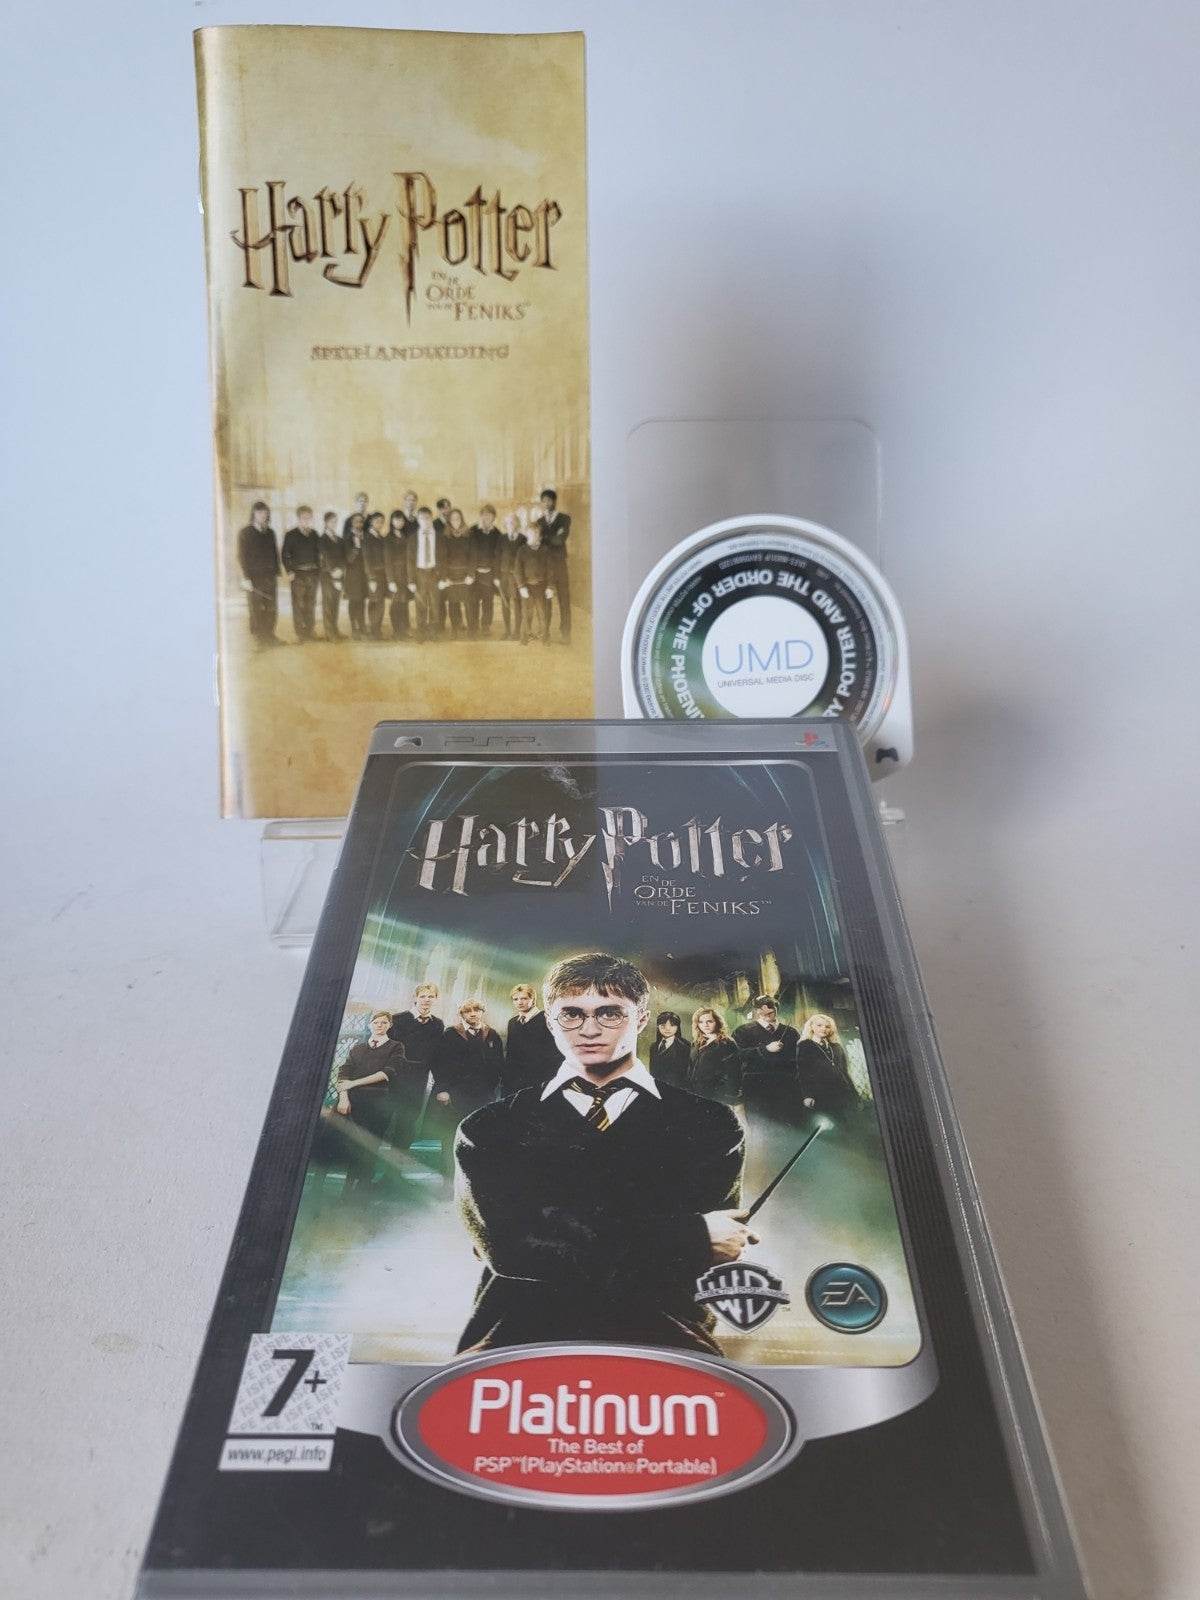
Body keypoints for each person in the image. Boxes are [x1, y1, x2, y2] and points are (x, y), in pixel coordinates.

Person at [454, 952, 752, 1355]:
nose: (589, 1029)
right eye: (571, 1014)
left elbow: (698, 1263)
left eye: (610, 1013)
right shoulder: (489, 1128)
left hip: (667, 1341)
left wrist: (558, 1226)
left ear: (641, 1018)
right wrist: (691, 1237)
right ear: (550, 1022)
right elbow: (511, 1247)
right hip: (516, 1342)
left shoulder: (710, 1124)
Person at [329, 1011, 406, 1193]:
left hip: (376, 1104)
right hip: (351, 1102)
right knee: (344, 1143)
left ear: (389, 1026)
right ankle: (343, 1189)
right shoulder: (358, 1048)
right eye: (376, 1022)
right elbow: (343, 1074)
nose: (379, 1025)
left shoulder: (396, 1047)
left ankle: (360, 1192)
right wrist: (343, 1098)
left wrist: (354, 1083)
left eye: (384, 1023)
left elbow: (387, 1073)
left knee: (369, 1148)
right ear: (370, 1025)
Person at [433, 1001, 505, 1121]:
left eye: (476, 1010)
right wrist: (443, 1089)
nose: (473, 1014)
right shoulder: (450, 1034)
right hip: (456, 1093)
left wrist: (490, 1087)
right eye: (467, 1011)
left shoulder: (492, 1034)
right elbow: (440, 1064)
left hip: (484, 1093)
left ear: (482, 1012)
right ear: (461, 1014)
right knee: (453, 1125)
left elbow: (498, 1064)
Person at [796, 1013, 861, 1121]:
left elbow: (844, 1072)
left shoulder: (836, 1047)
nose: (824, 1029)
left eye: (827, 1026)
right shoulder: (804, 1046)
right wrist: (807, 1095)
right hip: (821, 1094)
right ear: (811, 1026)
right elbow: (803, 1072)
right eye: (819, 1025)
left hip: (843, 1093)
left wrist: (855, 1095)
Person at [502, 982, 560, 1094]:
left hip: (540, 1079)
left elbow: (555, 1053)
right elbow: (511, 1053)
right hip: (516, 1081)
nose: (519, 1002)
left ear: (533, 999)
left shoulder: (547, 1019)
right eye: (515, 999)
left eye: (524, 998)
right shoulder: (512, 1023)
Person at [237, 500, 281, 645]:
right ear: (253, 514)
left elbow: (275, 553)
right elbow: (242, 556)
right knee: (256, 608)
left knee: (271, 608)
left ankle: (270, 635)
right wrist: (246, 578)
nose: (263, 515)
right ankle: (260, 639)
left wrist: (276, 572)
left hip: (270, 577)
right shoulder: (245, 533)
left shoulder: (270, 532)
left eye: (265, 513)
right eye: (259, 512)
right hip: (254, 578)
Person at [689, 1007, 743, 1110]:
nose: (705, 1025)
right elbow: (691, 1068)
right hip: (697, 1093)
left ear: (717, 1022)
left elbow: (734, 1073)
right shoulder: (696, 1043)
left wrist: (730, 1097)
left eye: (709, 1021)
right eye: (701, 1022)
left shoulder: (727, 1043)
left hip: (719, 1095)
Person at [280, 505, 321, 642]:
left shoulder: (315, 534)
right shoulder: (290, 535)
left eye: (309, 518)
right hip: (298, 576)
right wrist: (289, 571)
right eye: (304, 518)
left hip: (313, 575)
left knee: (311, 603)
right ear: (298, 519)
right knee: (298, 604)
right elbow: (285, 555)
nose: (307, 520)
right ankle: (300, 633)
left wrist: (318, 572)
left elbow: (319, 554)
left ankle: (310, 630)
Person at [538, 487, 572, 643]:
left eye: (549, 500)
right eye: (543, 501)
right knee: (547, 598)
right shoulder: (539, 522)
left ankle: (566, 633)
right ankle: (546, 632)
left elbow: (560, 540)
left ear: (554, 501)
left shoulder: (564, 519)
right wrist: (553, 536)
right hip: (545, 565)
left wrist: (545, 538)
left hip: (560, 564)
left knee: (564, 599)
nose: (546, 504)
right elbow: (544, 541)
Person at [515, 519, 554, 644]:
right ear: (527, 534)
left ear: (540, 535)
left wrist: (550, 587)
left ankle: (545, 638)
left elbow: (550, 570)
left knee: (543, 613)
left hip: (542, 587)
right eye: (531, 533)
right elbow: (518, 570)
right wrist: (521, 586)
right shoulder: (522, 550)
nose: (534, 535)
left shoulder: (545, 550)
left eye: (536, 533)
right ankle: (525, 638)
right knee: (527, 613)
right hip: (527, 587)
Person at [439, 509, 474, 634]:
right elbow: (442, 559)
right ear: (449, 521)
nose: (456, 521)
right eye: (453, 519)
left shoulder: (469, 536)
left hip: (466, 575)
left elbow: (473, 557)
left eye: (458, 518)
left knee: (469, 604)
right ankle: (455, 629)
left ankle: (471, 630)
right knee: (453, 603)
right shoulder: (445, 537)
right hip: (451, 575)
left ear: (462, 519)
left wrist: (471, 575)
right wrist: (445, 577)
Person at [468, 504, 500, 635]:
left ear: (494, 517)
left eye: (489, 515)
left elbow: (498, 555)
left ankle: (486, 626)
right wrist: (470, 573)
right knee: (473, 601)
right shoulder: (472, 531)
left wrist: (495, 574)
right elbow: (468, 553)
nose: (486, 517)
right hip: (474, 573)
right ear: (480, 516)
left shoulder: (497, 533)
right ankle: (473, 627)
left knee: (488, 601)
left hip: (489, 574)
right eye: (484, 515)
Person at [409, 506, 441, 638]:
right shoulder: (413, 538)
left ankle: (433, 632)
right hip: (419, 573)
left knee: (434, 603)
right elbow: (410, 561)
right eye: (422, 518)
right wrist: (411, 580)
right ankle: (421, 631)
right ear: (418, 520)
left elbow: (443, 558)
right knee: (420, 603)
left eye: (427, 518)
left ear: (431, 519)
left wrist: (442, 576)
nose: (425, 521)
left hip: (434, 573)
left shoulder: (439, 537)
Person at [495, 512, 525, 640]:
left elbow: (525, 559)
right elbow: (497, 558)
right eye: (508, 523)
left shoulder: (523, 539)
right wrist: (496, 577)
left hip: (516, 577)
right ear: (505, 525)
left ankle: (517, 631)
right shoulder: (501, 538)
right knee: (505, 602)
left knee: (517, 603)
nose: (511, 524)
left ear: (517, 524)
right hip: (504, 575)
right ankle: (507, 631)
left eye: (513, 522)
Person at [317, 511, 346, 640]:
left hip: (339, 575)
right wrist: (333, 571)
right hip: (327, 575)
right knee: (328, 604)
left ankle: (335, 630)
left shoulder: (339, 540)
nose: (334, 524)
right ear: (326, 523)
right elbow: (324, 558)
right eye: (331, 522)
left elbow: (343, 557)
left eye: (335, 521)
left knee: (335, 603)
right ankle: (329, 633)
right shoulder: (321, 540)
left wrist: (341, 570)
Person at [341, 512, 369, 638]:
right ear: (352, 523)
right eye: (356, 521)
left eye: (361, 522)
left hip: (364, 574)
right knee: (353, 601)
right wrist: (357, 547)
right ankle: (354, 628)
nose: (359, 524)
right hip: (352, 574)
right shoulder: (347, 538)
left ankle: (362, 626)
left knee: (362, 600)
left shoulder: (366, 536)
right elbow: (348, 559)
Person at [364, 510, 391, 638]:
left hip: (382, 575)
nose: (379, 524)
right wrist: (371, 578)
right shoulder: (367, 538)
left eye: (381, 522)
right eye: (377, 521)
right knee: (374, 602)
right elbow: (366, 559)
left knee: (380, 602)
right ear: (371, 522)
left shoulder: (381, 538)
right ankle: (374, 631)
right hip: (373, 575)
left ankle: (377, 630)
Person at [386, 510, 411, 638]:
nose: (399, 522)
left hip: (406, 574)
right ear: (392, 521)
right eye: (396, 520)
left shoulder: (405, 536)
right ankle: (397, 631)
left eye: (401, 520)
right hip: (395, 574)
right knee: (396, 604)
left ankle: (405, 629)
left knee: (404, 602)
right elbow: (387, 561)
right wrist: (391, 580)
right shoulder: (388, 538)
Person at [648, 1009, 687, 1088]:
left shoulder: (684, 1047)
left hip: (675, 1089)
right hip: (655, 1088)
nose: (667, 1029)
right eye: (663, 1025)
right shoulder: (653, 1046)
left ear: (677, 1027)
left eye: (672, 1025)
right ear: (658, 1026)